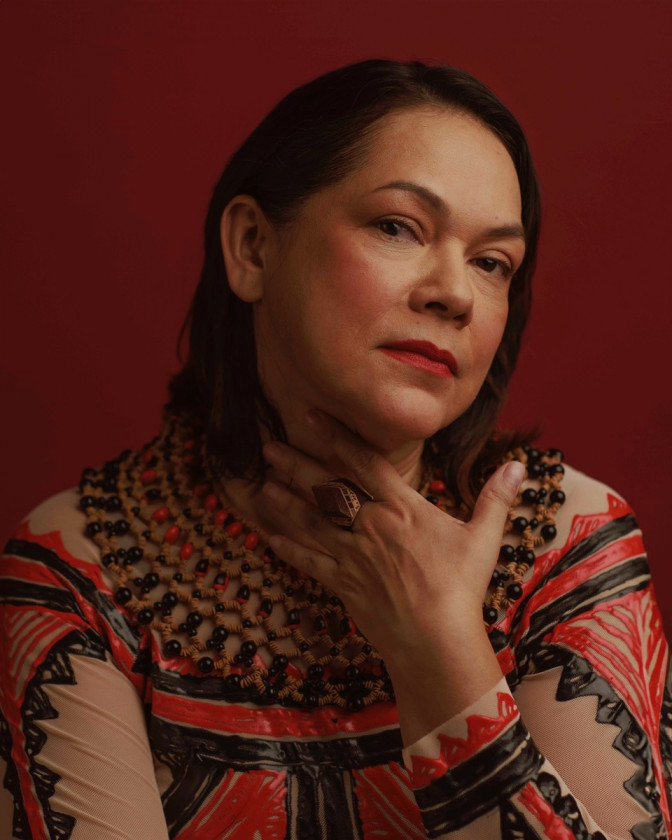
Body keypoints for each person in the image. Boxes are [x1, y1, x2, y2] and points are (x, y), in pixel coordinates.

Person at [1, 59, 670, 840]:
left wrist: (441, 647)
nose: (454, 292)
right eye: (398, 227)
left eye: (492, 263)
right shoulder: (84, 567)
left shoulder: (564, 541)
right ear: (253, 247)